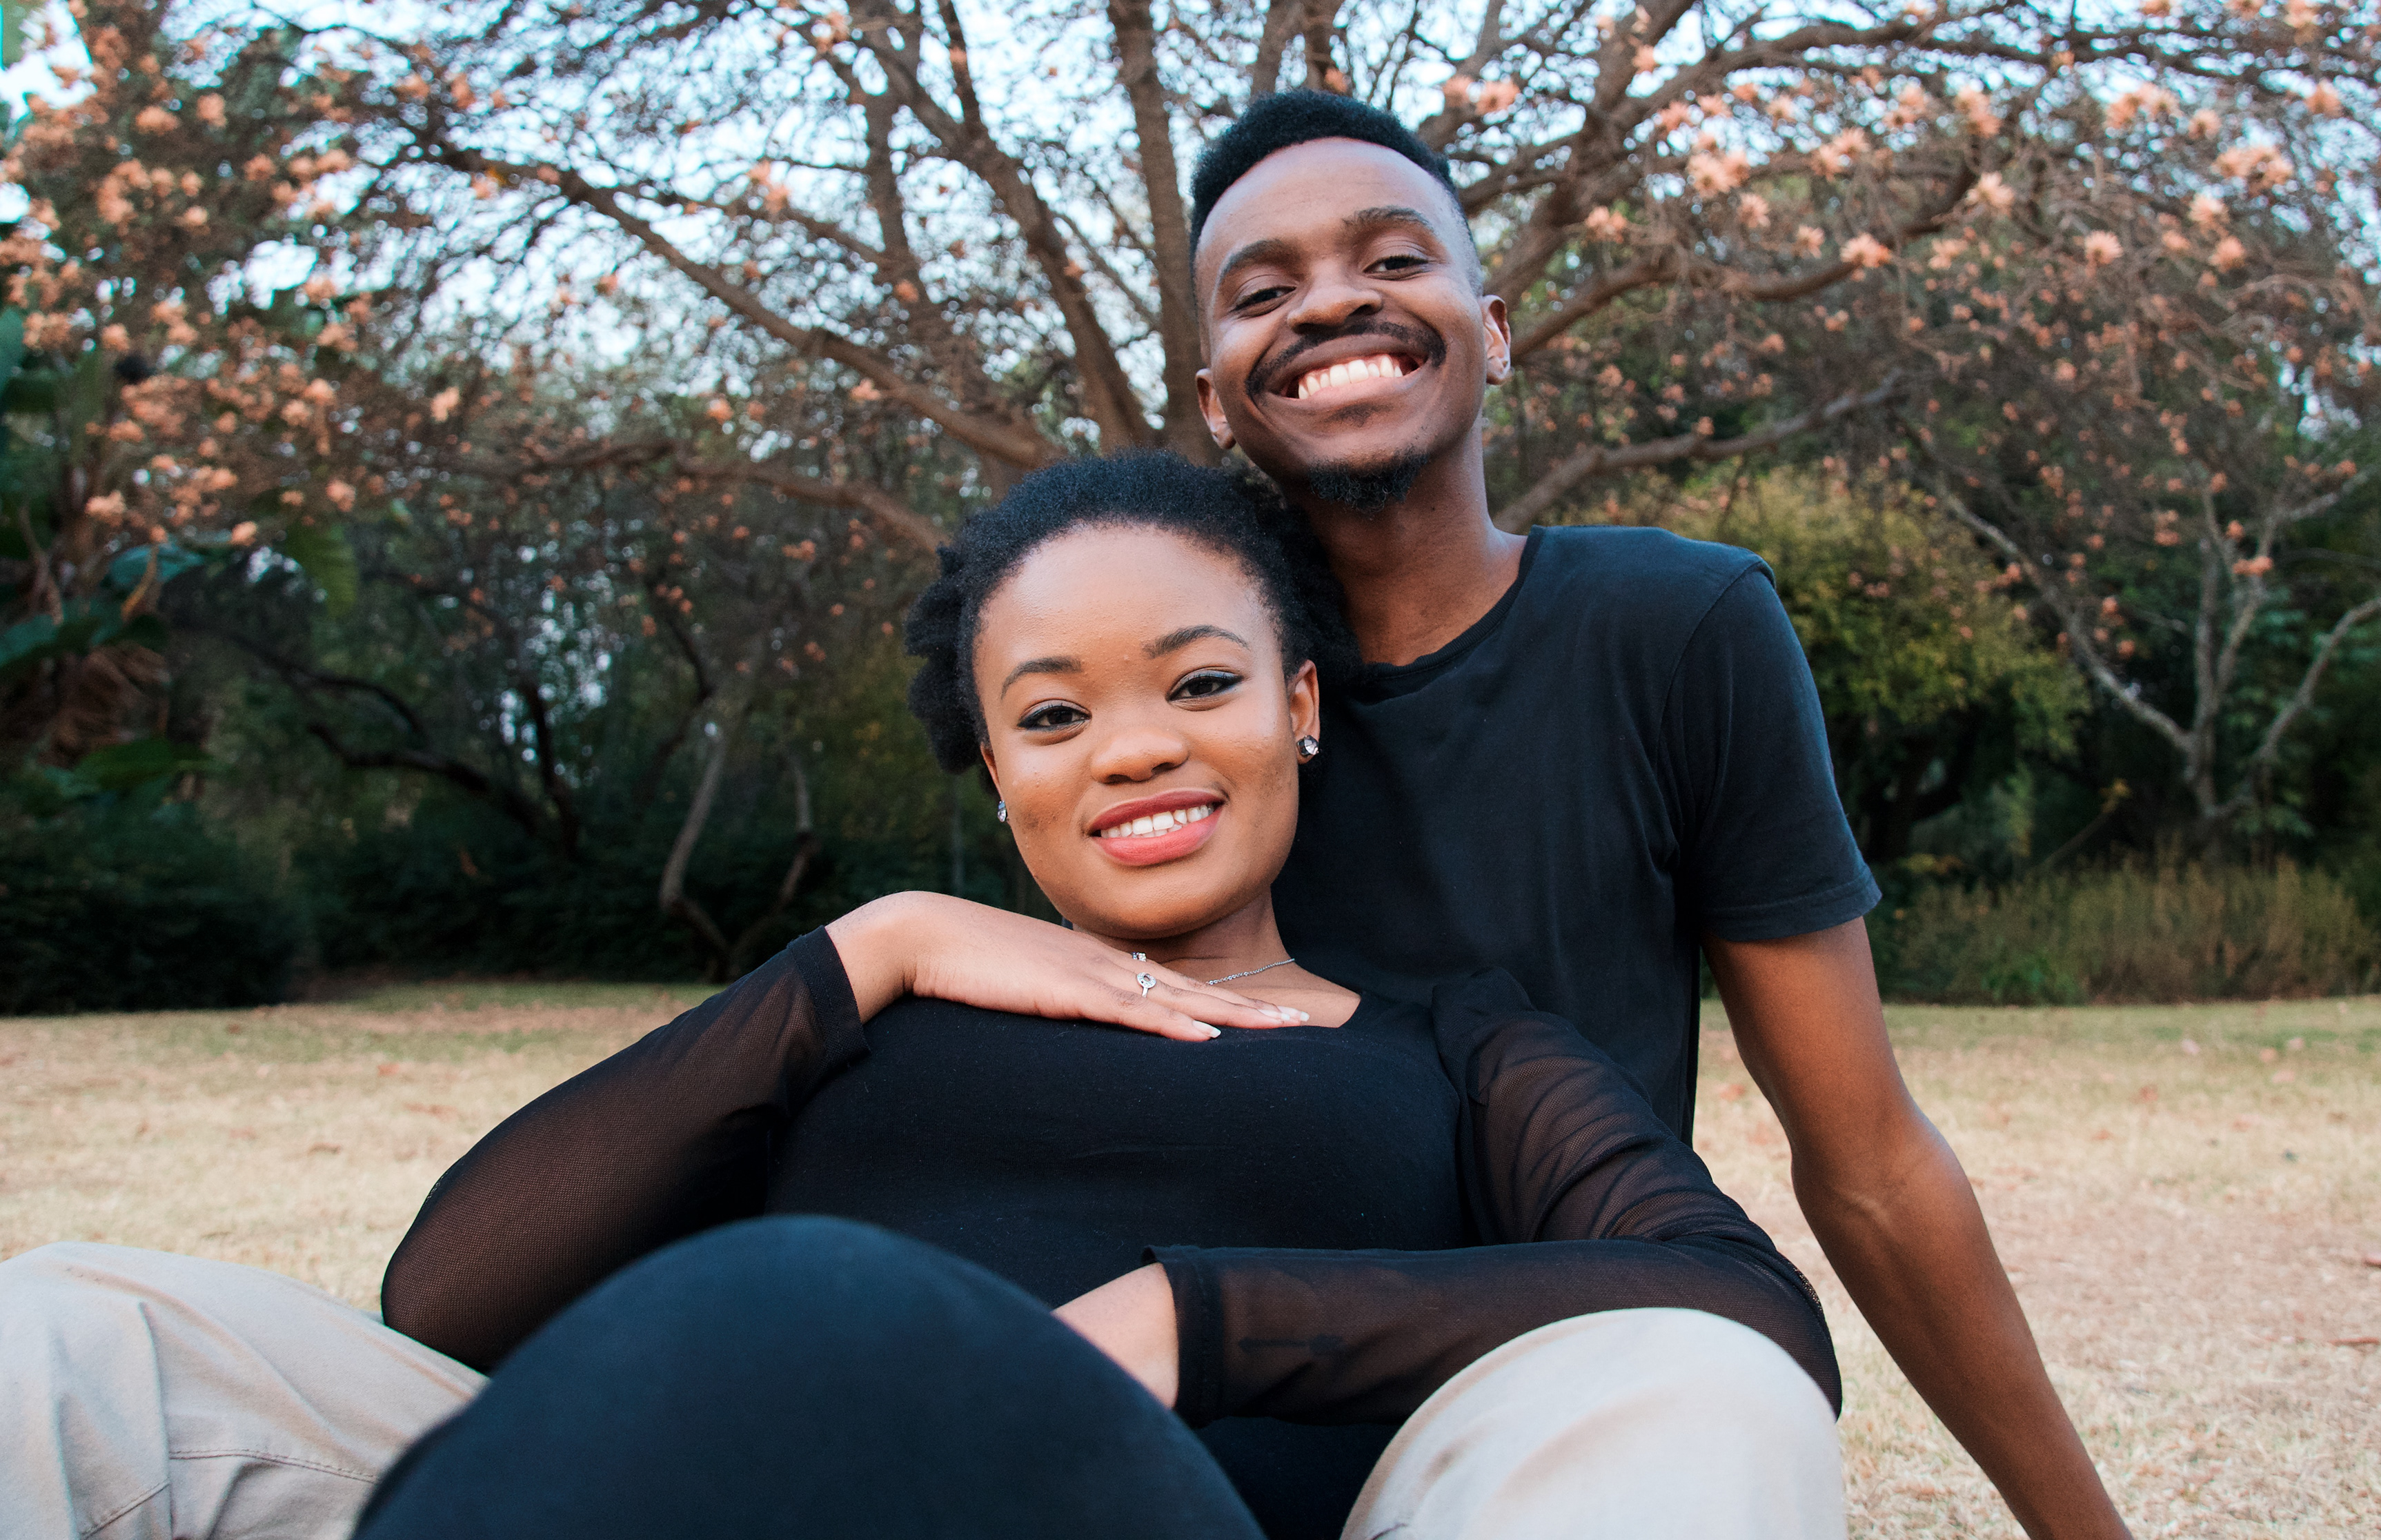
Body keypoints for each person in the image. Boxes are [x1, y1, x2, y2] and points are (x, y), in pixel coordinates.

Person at [1, 454, 1846, 1540]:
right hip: (698, 1492)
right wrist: (861, 952)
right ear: (997, 771)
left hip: (1155, 1509)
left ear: (1301, 703)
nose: (1131, 747)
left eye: (1199, 682)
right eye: (1051, 713)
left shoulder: (1457, 1044)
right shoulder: (873, 1003)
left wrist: (1200, 1321)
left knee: (1693, 1385)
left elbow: (1740, 1311)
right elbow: (449, 1300)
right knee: (73, 1332)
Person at [818, 92, 2135, 1538]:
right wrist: (888, 941)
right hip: (1181, 1438)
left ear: (1493, 329)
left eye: (1393, 258)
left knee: (1717, 1385)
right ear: (1215, 398)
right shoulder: (1171, 720)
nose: (1332, 304)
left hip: (1531, 1386)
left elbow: (1869, 1159)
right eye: (1263, 290)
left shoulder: (1676, 632)